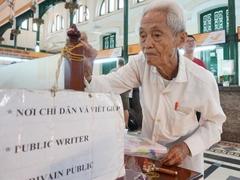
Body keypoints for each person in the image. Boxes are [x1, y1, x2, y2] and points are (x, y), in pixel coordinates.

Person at [83, 0, 226, 174]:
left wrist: (186, 147)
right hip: (148, 159)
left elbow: (215, 124)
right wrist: (87, 72)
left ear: (180, 39)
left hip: (184, 165)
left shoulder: (201, 79)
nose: (147, 44)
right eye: (143, 36)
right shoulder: (140, 64)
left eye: (157, 35)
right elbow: (110, 84)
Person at [111, 58, 130, 128]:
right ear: (124, 63)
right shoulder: (127, 71)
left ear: (117, 63)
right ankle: (125, 125)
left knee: (115, 108)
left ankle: (116, 125)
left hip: (115, 92)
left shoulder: (113, 70)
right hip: (125, 91)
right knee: (125, 109)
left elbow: (110, 81)